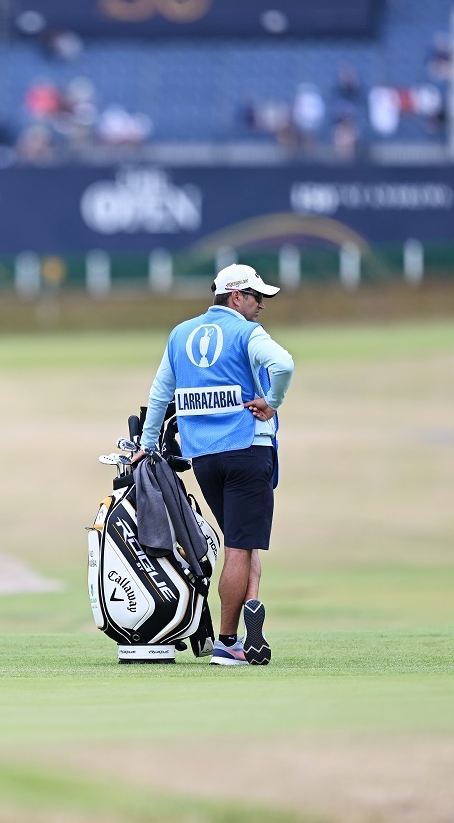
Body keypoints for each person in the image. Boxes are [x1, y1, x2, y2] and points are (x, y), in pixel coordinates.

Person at [130, 264, 295, 667]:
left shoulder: (180, 333)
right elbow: (284, 365)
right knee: (240, 544)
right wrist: (272, 401)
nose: (260, 305)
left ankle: (252, 605)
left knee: (241, 539)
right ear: (235, 296)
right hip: (247, 451)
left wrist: (146, 444)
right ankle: (227, 642)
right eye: (256, 297)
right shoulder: (246, 332)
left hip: (203, 457)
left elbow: (159, 395)